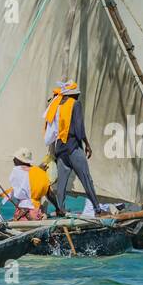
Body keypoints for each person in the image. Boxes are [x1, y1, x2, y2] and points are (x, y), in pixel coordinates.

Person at [43, 80, 105, 216]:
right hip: (73, 146)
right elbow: (79, 128)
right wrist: (87, 144)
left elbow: (52, 131)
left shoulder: (56, 105)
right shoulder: (75, 104)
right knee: (86, 178)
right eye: (76, 95)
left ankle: (60, 209)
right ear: (73, 95)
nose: (77, 97)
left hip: (60, 148)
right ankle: (97, 209)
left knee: (61, 184)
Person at [0, 148, 57, 221]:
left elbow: (17, 190)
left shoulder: (16, 170)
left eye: (16, 158)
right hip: (37, 211)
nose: (13, 159)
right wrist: (58, 209)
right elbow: (50, 194)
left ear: (20, 160)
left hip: (23, 211)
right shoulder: (41, 173)